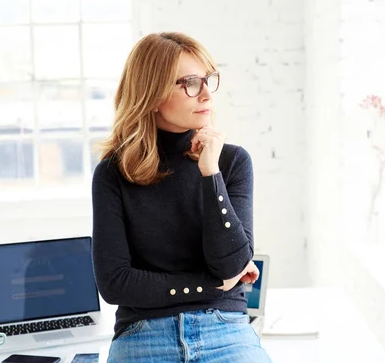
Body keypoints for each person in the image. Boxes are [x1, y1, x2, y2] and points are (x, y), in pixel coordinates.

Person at [91, 32, 272, 363]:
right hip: (143, 334)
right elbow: (115, 284)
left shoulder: (231, 162)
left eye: (208, 80)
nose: (206, 94)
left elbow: (231, 263)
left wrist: (210, 174)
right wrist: (213, 286)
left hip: (225, 331)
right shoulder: (113, 173)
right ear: (153, 94)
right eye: (189, 83)